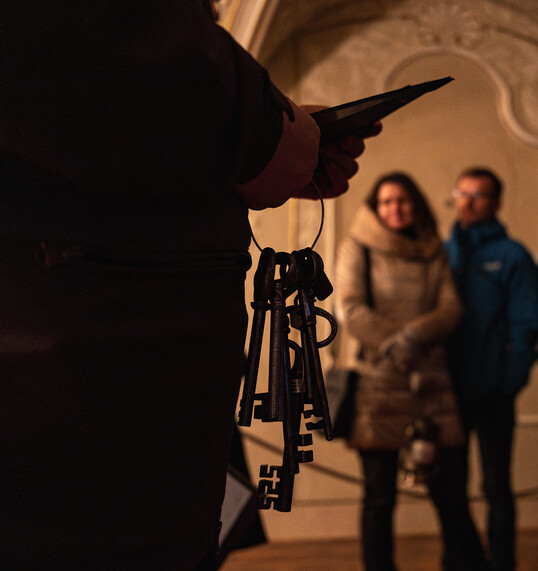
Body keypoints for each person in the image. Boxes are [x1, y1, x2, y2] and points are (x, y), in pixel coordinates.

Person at [0, 3, 379, 568]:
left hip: (117, 400)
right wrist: (254, 127)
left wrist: (246, 140)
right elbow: (85, 32)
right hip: (79, 406)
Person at [335, 172, 487, 571]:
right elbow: (350, 309)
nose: (395, 208)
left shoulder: (432, 249)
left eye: (402, 200)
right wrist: (397, 346)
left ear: (415, 204)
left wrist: (412, 338)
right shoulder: (358, 247)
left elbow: (450, 308)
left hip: (430, 383)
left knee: (450, 493)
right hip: (378, 386)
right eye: (386, 202)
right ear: (375, 207)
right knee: (379, 497)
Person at [444, 167, 538, 571]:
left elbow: (527, 324)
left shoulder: (513, 256)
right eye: (462, 193)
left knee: (496, 487)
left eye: (478, 195)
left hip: (493, 392)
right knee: (449, 487)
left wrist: (509, 382)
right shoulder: (443, 252)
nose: (467, 202)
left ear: (496, 203)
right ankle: (462, 561)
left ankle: (503, 563)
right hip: (447, 391)